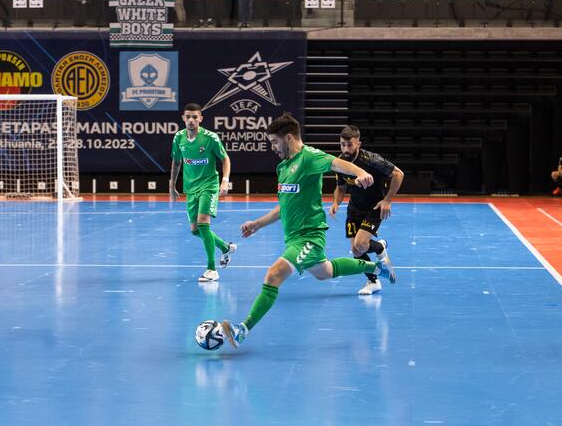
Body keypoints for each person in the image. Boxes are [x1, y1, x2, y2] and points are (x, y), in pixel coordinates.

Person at [219, 113, 395, 349]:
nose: (272, 147)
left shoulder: (309, 157)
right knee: (325, 271)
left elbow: (336, 162)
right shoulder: (283, 167)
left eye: (274, 142)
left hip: (309, 237)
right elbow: (284, 207)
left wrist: (360, 173)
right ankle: (377, 266)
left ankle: (243, 329)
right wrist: (257, 224)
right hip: (293, 238)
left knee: (273, 275)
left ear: (289, 138)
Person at [330, 125, 403, 296]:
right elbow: (340, 188)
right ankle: (373, 281)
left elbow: (398, 174)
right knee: (356, 251)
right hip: (354, 208)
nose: (345, 148)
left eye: (349, 144)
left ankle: (379, 249)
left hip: (375, 207)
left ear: (358, 144)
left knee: (361, 244)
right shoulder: (340, 163)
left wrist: (387, 200)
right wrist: (335, 203)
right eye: (342, 144)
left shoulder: (372, 160)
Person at [169, 103, 236, 282]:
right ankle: (225, 247)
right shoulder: (178, 138)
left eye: (195, 117)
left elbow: (225, 159)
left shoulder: (210, 138)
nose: (191, 120)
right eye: (188, 117)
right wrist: (172, 185)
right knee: (195, 230)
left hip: (209, 184)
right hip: (190, 187)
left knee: (203, 223)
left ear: (201, 118)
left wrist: (225, 180)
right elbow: (176, 162)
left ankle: (212, 269)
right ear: (183, 118)